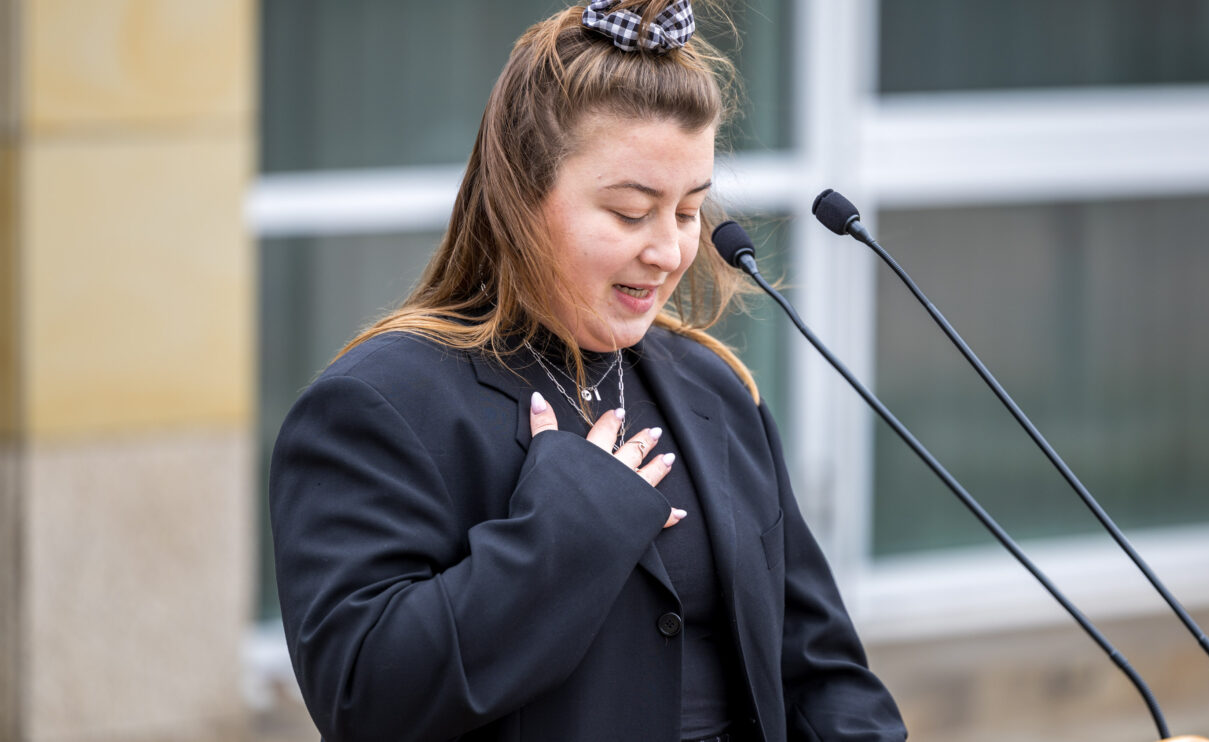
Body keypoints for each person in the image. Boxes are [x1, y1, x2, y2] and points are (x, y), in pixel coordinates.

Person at [268, 1, 907, 740]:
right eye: (631, 212)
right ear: (520, 199)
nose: (669, 251)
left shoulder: (714, 389)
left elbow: (819, 672)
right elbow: (365, 700)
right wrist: (571, 524)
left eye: (688, 210)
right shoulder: (379, 405)